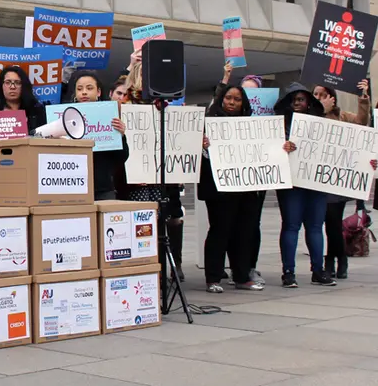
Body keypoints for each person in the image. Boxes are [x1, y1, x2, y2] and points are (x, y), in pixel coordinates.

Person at [121, 52, 186, 279]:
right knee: (140, 228)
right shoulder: (124, 104)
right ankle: (143, 270)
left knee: (163, 224)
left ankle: (162, 269)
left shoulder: (163, 106)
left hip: (160, 180)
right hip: (137, 182)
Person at [199, 85, 264, 293]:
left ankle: (242, 276)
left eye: (237, 99)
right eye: (228, 98)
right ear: (221, 99)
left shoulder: (251, 125)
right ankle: (213, 277)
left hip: (245, 187)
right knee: (220, 230)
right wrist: (204, 146)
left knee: (244, 232)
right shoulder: (208, 123)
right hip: (219, 188)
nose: (232, 103)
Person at [274, 83, 335, 288]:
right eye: (293, 99)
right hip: (291, 183)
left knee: (316, 227)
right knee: (291, 225)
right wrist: (283, 147)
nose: (297, 103)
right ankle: (289, 272)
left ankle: (318, 270)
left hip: (315, 182)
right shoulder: (278, 125)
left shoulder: (321, 124)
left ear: (308, 102)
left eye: (301, 99)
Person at [315, 81, 371, 279]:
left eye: (322, 95)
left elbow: (361, 123)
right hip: (316, 177)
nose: (318, 98)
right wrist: (320, 111)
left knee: (332, 222)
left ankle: (333, 261)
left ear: (332, 97)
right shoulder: (310, 116)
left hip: (336, 179)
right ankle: (337, 260)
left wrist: (363, 97)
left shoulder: (342, 116)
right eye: (315, 94)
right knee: (325, 224)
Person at [67, 70, 128, 201]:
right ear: (75, 93)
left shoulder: (109, 117)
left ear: (98, 92)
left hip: (102, 188)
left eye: (89, 88)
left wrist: (121, 136)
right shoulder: (63, 118)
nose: (84, 92)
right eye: (79, 88)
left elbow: (121, 158)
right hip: (72, 186)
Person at [0, 65, 48, 133]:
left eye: (17, 83)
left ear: (24, 86)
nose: (12, 87)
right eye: (8, 82)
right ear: (2, 86)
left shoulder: (37, 111)